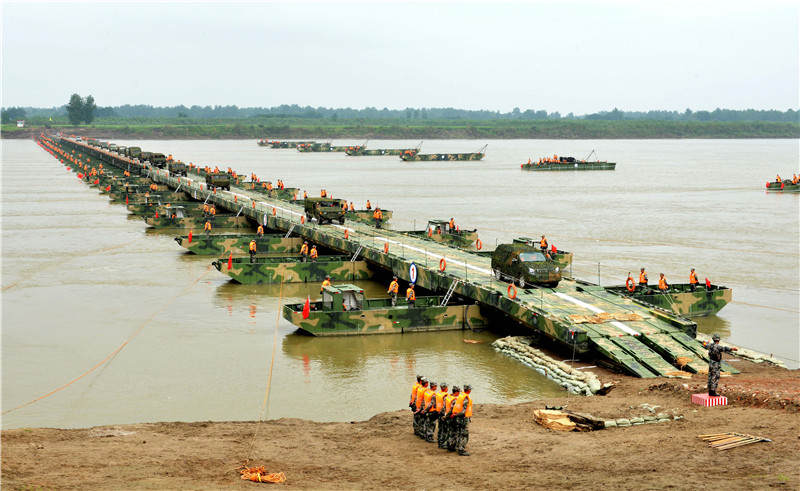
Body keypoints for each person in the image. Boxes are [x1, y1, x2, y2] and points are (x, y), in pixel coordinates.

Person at [450, 384, 473, 456]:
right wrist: (456, 415)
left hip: (457, 418)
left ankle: (453, 446)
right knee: (464, 434)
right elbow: (463, 411)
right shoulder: (466, 398)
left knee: (458, 432)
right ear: (468, 390)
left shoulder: (460, 395)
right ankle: (461, 449)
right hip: (462, 418)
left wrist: (455, 415)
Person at [442, 386, 460, 451]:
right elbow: (452, 410)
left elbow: (444, 407)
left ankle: (447, 444)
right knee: (453, 432)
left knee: (448, 431)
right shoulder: (454, 400)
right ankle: (451, 446)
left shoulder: (448, 397)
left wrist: (445, 415)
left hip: (446, 415)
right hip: (451, 417)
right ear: (456, 392)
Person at [435, 383, 449, 448]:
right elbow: (444, 406)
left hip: (438, 413)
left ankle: (439, 442)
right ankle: (442, 443)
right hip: (443, 414)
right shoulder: (445, 396)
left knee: (440, 428)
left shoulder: (438, 394)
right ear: (445, 388)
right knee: (444, 429)